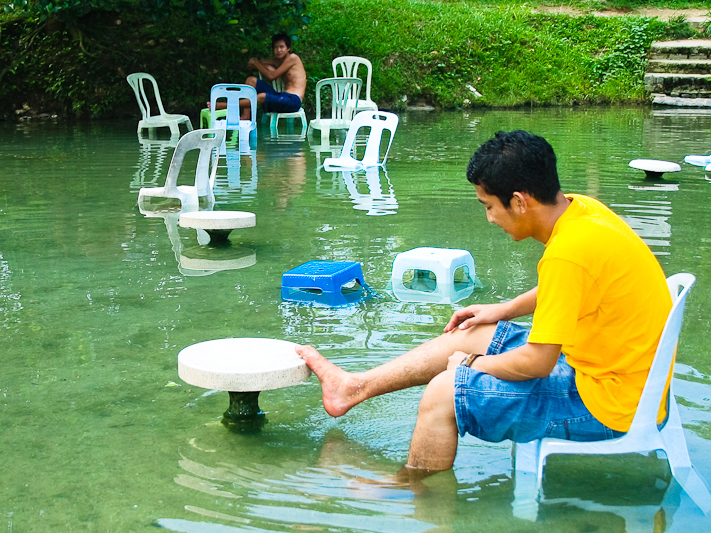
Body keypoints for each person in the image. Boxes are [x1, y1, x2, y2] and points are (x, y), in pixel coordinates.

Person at [296, 130, 672, 479]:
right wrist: (504, 309)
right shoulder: (582, 212)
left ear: (519, 202)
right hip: (625, 374)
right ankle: (354, 387)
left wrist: (470, 365)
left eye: (489, 206)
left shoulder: (567, 253)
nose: (490, 218)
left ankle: (413, 493)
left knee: (445, 389)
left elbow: (538, 362)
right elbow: (573, 285)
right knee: (472, 331)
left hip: (612, 403)